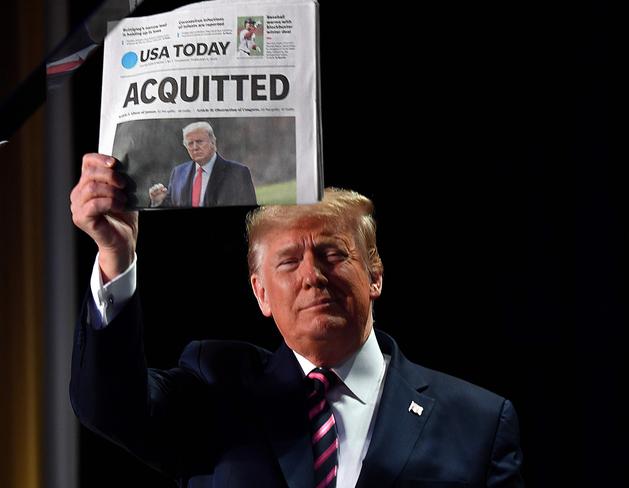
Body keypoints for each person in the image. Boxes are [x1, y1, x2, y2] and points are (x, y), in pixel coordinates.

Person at [69, 154, 525, 487]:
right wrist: (116, 255)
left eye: (331, 254)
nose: (313, 276)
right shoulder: (216, 389)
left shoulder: (479, 423)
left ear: (375, 275)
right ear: (260, 292)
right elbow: (111, 407)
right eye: (288, 262)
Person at [148, 121, 257, 207]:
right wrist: (158, 203)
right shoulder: (178, 173)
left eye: (199, 141)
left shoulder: (238, 173)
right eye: (190, 143)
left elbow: (251, 212)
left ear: (213, 142)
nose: (195, 147)